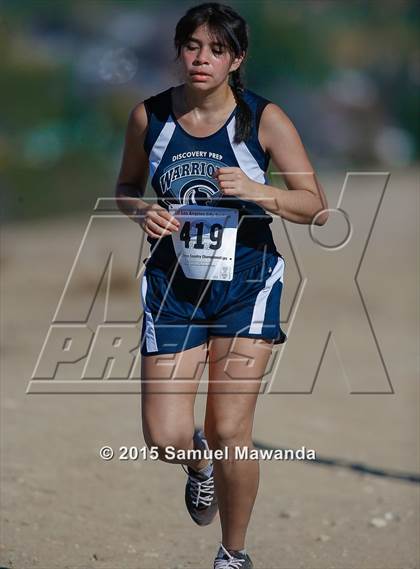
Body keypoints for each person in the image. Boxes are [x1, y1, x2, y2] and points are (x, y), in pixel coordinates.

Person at [115, 3, 328, 567]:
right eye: (192, 46)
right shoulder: (150, 118)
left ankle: (232, 554)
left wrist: (260, 192)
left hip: (246, 286)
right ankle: (198, 464)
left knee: (230, 425)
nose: (201, 58)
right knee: (164, 437)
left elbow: (316, 207)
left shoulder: (264, 120)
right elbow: (126, 187)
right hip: (174, 288)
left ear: (237, 59)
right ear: (179, 51)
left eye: (215, 49)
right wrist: (141, 213)